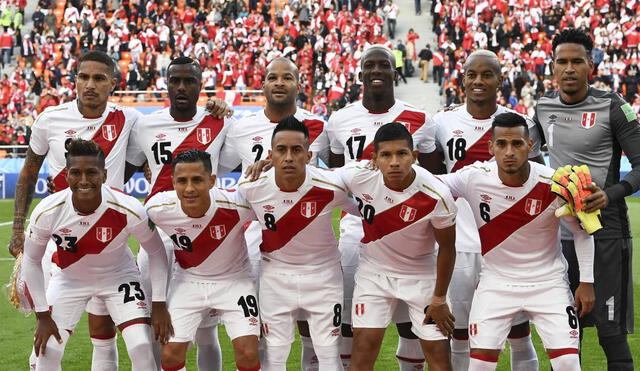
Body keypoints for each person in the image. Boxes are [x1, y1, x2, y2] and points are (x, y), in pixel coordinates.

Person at [9, 50, 230, 370]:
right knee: (48, 347)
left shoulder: (130, 120)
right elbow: (29, 172)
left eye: (99, 78)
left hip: (110, 244)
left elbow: (142, 159)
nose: (90, 85)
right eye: (83, 77)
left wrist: (218, 106)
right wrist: (18, 228)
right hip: (63, 240)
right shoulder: (50, 118)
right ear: (74, 80)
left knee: (105, 330)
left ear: (112, 83)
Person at [438, 112, 596, 370]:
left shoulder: (555, 183)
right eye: (501, 144)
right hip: (496, 283)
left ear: (530, 146)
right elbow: (429, 186)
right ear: (491, 148)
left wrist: (587, 281)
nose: (509, 151)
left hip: (548, 283)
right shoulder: (473, 177)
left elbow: (582, 232)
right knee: (479, 366)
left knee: (568, 362)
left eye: (517, 144)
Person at [425, 50, 542, 371]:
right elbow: (434, 183)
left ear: (499, 80)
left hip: (506, 247)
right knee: (460, 335)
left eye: (487, 74)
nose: (478, 81)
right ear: (462, 79)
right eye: (471, 74)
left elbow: (540, 183)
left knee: (518, 334)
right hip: (458, 247)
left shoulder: (521, 125)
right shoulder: (442, 122)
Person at [534, 28, 640, 370]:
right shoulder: (542, 106)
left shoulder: (613, 105)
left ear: (590, 66)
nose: (569, 68)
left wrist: (609, 195)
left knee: (610, 333)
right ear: (551, 67)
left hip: (606, 233)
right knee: (565, 334)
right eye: (561, 62)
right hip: (560, 236)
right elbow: (523, 152)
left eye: (577, 61)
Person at [325, 44, 436, 371]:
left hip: (408, 233)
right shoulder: (340, 119)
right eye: (369, 66)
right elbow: (335, 175)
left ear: (393, 71)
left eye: (383, 66)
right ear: (360, 73)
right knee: (349, 324)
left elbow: (433, 176)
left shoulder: (421, 119)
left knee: (410, 323)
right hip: (355, 233)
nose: (376, 71)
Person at [218, 56, 330, 370]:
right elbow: (216, 167)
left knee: (310, 326)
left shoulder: (319, 125)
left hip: (305, 240)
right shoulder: (241, 127)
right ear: (263, 84)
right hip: (254, 241)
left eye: (287, 77)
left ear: (298, 84)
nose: (279, 83)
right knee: (260, 327)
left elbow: (337, 173)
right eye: (272, 77)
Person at [21, 139, 172, 369]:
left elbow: (157, 252)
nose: (83, 180)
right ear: (67, 175)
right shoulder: (47, 211)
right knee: (47, 350)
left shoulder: (129, 208)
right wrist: (42, 315)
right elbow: (31, 260)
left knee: (141, 346)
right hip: (70, 279)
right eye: (75, 173)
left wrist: (159, 303)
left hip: (119, 277)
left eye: (91, 172)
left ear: (104, 174)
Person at [127, 55, 234, 371]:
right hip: (158, 235)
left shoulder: (221, 121)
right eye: (176, 80)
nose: (182, 87)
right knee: (157, 324)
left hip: (203, 236)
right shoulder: (145, 126)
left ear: (201, 85)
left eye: (190, 80)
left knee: (205, 330)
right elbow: (130, 165)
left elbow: (229, 166)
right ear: (166, 83)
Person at [238, 117, 358, 371]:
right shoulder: (250, 187)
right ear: (270, 154)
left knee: (327, 352)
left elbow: (368, 208)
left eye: (296, 150)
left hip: (324, 276)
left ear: (309, 155)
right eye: (281, 150)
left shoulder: (332, 185)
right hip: (275, 277)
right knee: (276, 353)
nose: (289, 157)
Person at [339, 122, 457, 371]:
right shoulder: (358, 175)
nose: (394, 162)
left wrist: (439, 299)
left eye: (402, 154)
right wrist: (268, 165)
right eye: (386, 155)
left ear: (414, 156)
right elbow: (313, 177)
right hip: (374, 273)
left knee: (439, 360)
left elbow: (447, 247)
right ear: (374, 159)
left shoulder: (437, 194)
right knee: (362, 353)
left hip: (421, 275)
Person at [146, 150, 260, 371]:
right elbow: (151, 248)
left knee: (248, 352)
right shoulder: (157, 209)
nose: (189, 188)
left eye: (197, 180)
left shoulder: (237, 205)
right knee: (169, 354)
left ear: (212, 181)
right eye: (182, 181)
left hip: (235, 281)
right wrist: (158, 302)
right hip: (187, 281)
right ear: (172, 182)